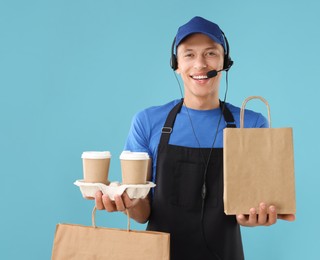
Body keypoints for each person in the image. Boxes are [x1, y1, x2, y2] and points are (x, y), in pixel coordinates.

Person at [94, 16, 295, 260]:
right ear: (176, 64)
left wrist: (252, 216)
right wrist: (127, 202)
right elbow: (142, 214)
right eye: (189, 54)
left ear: (225, 62)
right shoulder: (147, 122)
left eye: (210, 53)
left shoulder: (250, 124)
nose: (200, 64)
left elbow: (254, 201)